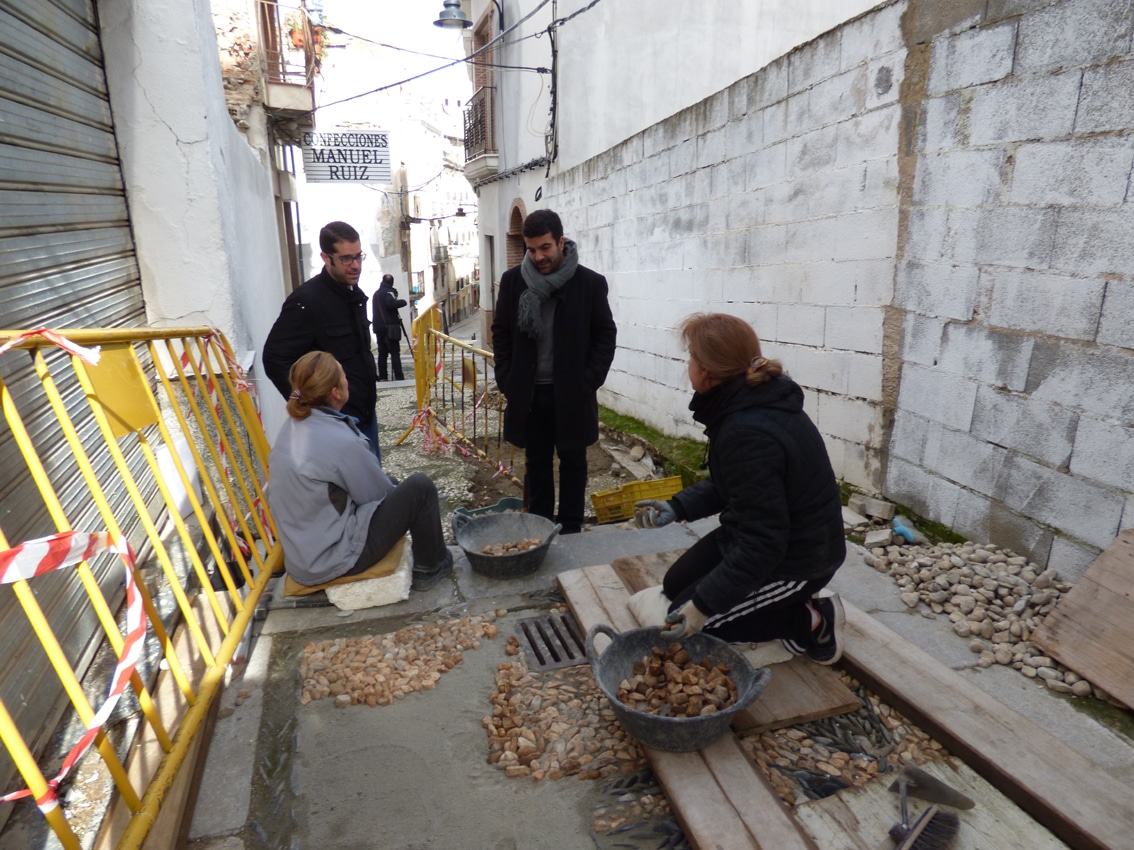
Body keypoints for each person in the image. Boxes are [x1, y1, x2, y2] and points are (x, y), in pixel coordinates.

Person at [633, 313, 847, 664]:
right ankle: (780, 606)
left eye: (691, 357)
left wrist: (702, 609)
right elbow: (732, 483)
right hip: (761, 537)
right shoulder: (747, 403)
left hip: (798, 561)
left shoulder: (747, 432)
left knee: (697, 623)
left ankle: (810, 620)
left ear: (706, 371)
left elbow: (763, 544)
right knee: (674, 585)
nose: (687, 364)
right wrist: (679, 507)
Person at [268, 351, 453, 591]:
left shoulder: (292, 425)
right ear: (336, 392)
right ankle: (432, 565)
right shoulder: (341, 441)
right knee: (420, 488)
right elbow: (377, 496)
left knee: (393, 482)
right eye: (343, 376)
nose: (347, 380)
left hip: (304, 556)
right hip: (331, 560)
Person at [491, 209, 617, 534]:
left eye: (545, 247)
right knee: (537, 463)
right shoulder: (513, 282)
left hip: (572, 392)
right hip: (530, 394)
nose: (538, 257)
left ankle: (572, 528)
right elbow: (501, 332)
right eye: (531, 250)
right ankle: (541, 528)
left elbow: (605, 334)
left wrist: (588, 381)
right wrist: (506, 378)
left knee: (574, 462)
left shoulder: (589, 283)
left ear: (561, 242)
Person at [263, 221, 382, 461]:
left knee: (374, 489)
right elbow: (275, 359)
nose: (356, 265)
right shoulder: (306, 301)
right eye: (346, 259)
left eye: (359, 256)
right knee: (352, 495)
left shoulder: (352, 294)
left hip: (365, 415)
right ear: (325, 258)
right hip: (335, 424)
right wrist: (306, 406)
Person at [373, 273, 407, 381]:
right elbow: (390, 304)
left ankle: (383, 376)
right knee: (394, 353)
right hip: (389, 327)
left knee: (382, 353)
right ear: (392, 282)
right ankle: (399, 376)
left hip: (378, 327)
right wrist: (403, 302)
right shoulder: (389, 292)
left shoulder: (376, 294)